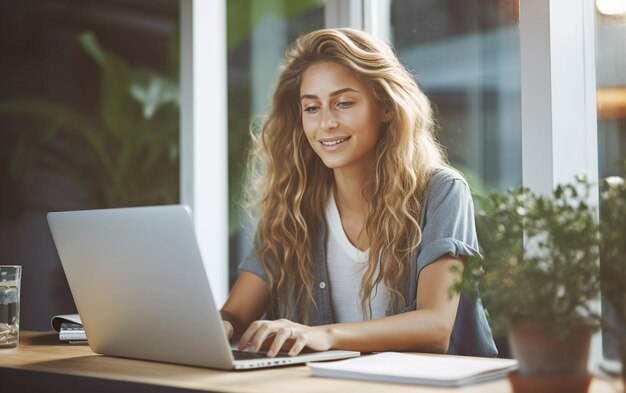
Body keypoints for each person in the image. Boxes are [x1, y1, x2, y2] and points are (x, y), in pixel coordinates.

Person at [220, 27, 497, 358]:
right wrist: (219, 327)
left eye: (344, 103)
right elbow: (235, 314)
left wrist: (324, 336)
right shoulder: (292, 203)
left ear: (386, 108)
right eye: (312, 108)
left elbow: (436, 327)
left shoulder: (441, 192)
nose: (326, 123)